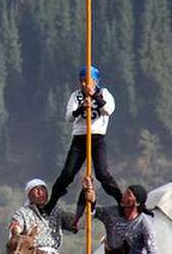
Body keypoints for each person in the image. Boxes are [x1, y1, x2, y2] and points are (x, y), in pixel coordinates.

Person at [46, 64, 121, 203]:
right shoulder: (76, 96)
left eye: (87, 80)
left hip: (97, 137)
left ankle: (120, 200)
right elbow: (69, 117)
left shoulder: (104, 93)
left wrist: (93, 95)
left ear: (95, 81)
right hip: (79, 139)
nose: (83, 83)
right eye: (81, 80)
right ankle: (51, 203)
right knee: (67, 174)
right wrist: (81, 109)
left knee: (102, 174)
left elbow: (108, 110)